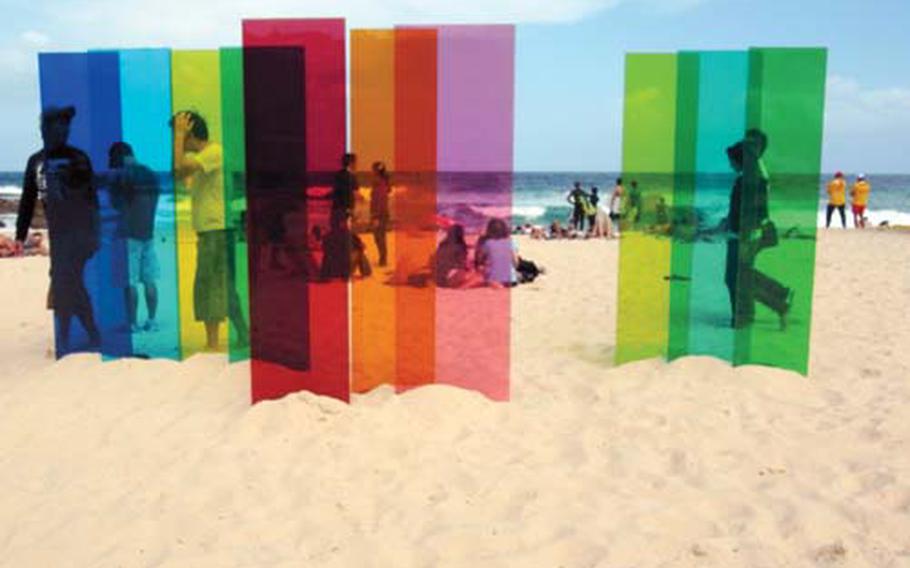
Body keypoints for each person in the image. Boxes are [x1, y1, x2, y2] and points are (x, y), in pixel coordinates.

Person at [16, 105, 101, 354]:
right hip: (58, 234)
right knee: (66, 282)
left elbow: (91, 198)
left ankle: (71, 337)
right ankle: (77, 336)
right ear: (45, 131)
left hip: (80, 233)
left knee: (66, 280)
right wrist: (20, 236)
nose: (62, 132)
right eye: (57, 127)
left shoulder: (78, 158)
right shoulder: (36, 161)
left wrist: (96, 235)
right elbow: (27, 199)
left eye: (65, 127)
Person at [172, 110, 248, 351]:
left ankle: (213, 342)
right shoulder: (207, 157)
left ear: (190, 133)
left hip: (215, 230)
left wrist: (179, 135)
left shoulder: (213, 152)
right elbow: (181, 176)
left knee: (209, 284)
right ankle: (244, 335)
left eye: (182, 134)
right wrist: (180, 140)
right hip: (214, 229)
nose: (178, 140)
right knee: (224, 285)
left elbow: (180, 169)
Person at [723, 130, 793, 331]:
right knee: (741, 276)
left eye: (732, 161)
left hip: (744, 236)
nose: (730, 165)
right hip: (747, 234)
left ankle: (774, 303)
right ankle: (773, 301)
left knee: (735, 278)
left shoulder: (749, 181)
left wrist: (738, 230)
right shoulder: (757, 177)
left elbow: (750, 211)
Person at [108, 142, 160, 333]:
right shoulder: (150, 173)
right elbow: (154, 203)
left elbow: (116, 205)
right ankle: (152, 320)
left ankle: (132, 323)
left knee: (129, 282)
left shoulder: (121, 175)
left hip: (128, 234)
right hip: (148, 232)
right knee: (149, 280)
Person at [320, 212, 371, 280]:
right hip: (343, 271)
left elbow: (324, 249)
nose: (350, 223)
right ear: (342, 223)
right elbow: (361, 246)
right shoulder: (349, 234)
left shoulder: (328, 235)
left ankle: (366, 272)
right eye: (348, 221)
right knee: (360, 251)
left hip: (330, 272)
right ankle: (366, 272)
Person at [476, 218, 518, 287]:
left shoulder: (487, 243)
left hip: (493, 278)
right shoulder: (511, 242)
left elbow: (479, 259)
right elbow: (516, 262)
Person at [370, 161, 391, 267]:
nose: (371, 171)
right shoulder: (383, 182)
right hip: (383, 213)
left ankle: (383, 259)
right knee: (379, 236)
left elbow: (379, 200)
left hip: (379, 214)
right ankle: (383, 258)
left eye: (372, 169)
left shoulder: (378, 182)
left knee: (379, 237)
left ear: (376, 171)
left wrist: (375, 216)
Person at [332, 153, 358, 224]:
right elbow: (354, 194)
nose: (356, 165)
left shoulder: (338, 175)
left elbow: (336, 192)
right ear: (351, 163)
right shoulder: (352, 177)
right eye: (355, 162)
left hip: (337, 208)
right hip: (346, 208)